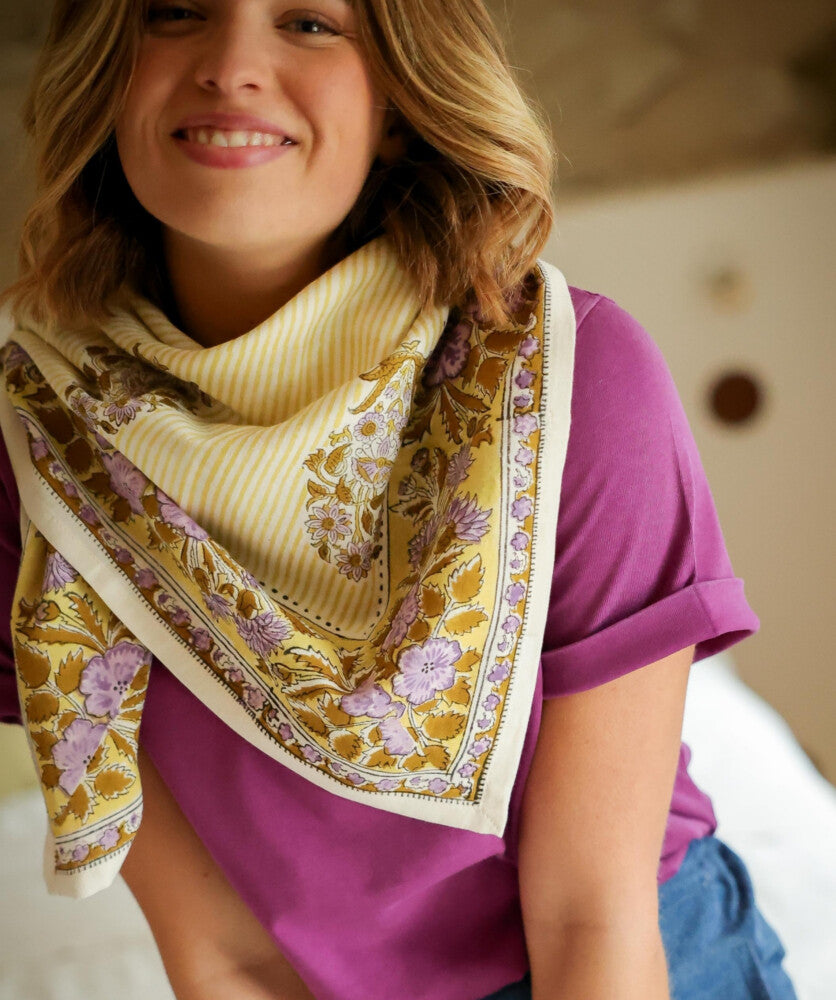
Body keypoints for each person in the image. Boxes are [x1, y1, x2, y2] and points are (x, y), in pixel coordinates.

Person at [0, 2, 799, 999]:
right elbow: (224, 957)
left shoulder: (572, 384)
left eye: (308, 21)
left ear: (395, 105)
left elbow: (589, 916)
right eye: (177, 11)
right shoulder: (37, 455)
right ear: (108, 76)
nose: (231, 64)